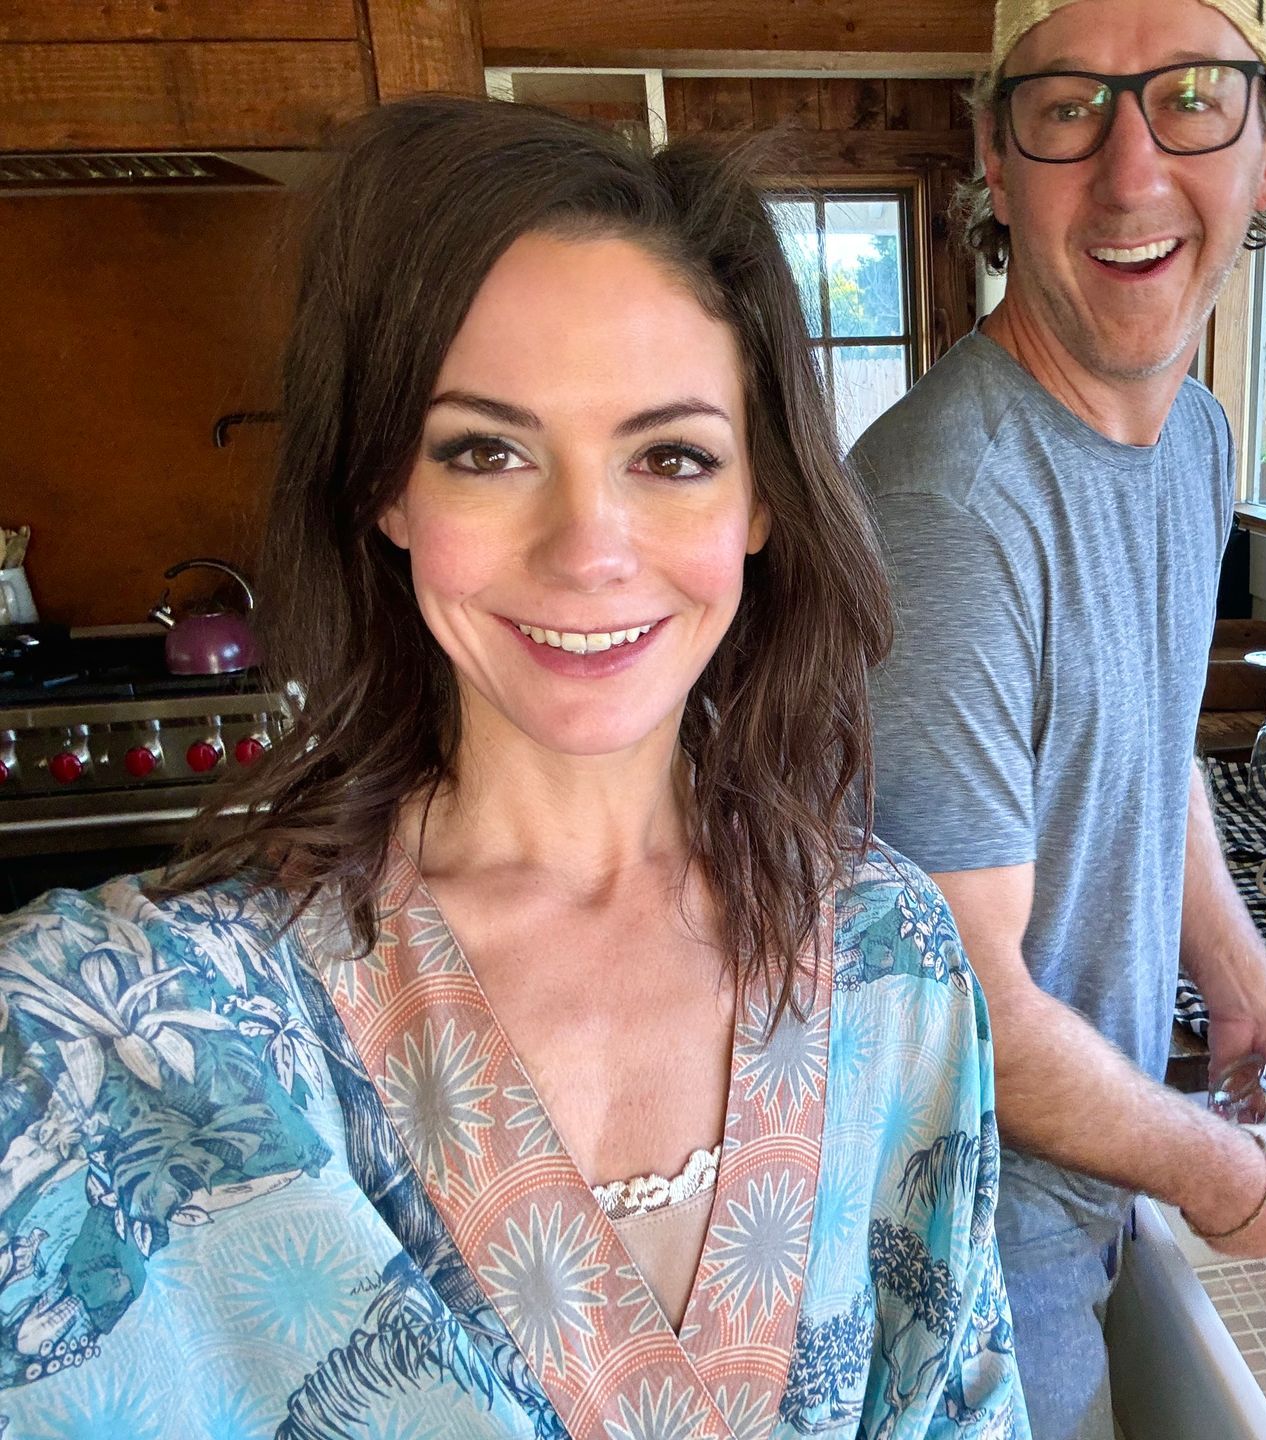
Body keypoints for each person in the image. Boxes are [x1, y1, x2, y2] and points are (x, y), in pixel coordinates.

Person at [0, 97, 1024, 1440]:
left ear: (763, 500)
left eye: (672, 456)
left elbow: (966, 1404)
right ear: (388, 490)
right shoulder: (113, 1039)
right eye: (486, 450)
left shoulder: (895, 960)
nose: (588, 548)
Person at [850, 1, 1266, 1434]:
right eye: (1068, 107)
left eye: (1191, 98)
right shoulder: (950, 507)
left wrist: (1240, 985)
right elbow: (966, 1012)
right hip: (970, 1269)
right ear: (996, 165)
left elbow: (1149, 750)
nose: (1130, 176)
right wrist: (1218, 1167)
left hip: (1088, 1200)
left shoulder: (1192, 440)